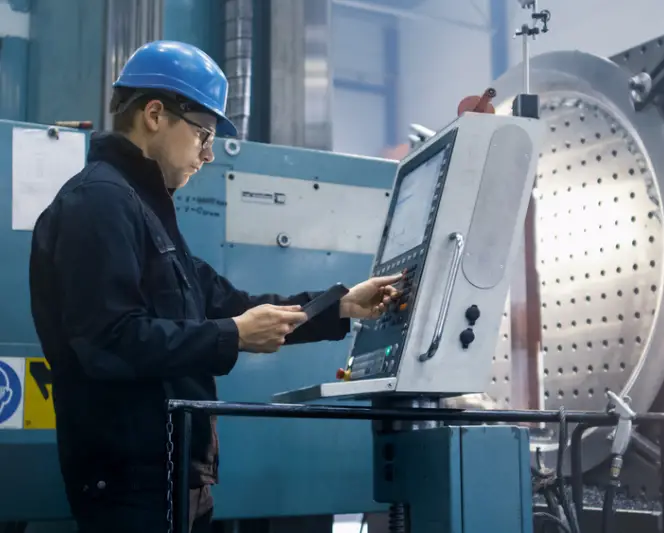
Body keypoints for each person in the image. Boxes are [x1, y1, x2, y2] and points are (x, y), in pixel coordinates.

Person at [27, 40, 401, 533]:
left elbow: (232, 304)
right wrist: (232, 335)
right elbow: (109, 341)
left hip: (172, 475)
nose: (207, 154)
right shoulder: (98, 203)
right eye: (202, 133)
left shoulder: (147, 214)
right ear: (155, 114)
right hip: (130, 484)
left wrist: (342, 306)